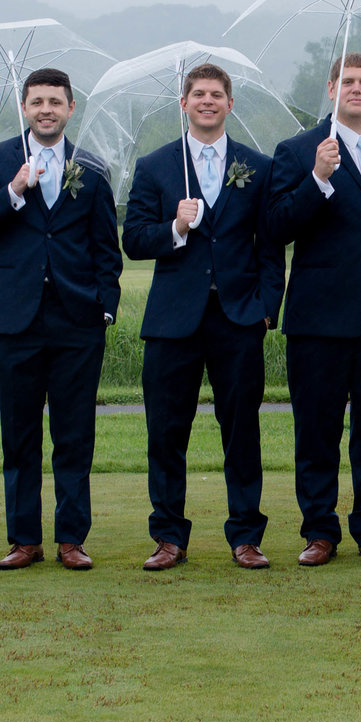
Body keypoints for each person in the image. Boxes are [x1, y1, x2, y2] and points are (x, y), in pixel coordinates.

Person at [0, 66, 122, 570]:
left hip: (78, 320)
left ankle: (71, 539)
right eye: (37, 102)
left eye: (56, 101)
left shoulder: (92, 168)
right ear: (24, 108)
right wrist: (12, 191)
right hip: (15, 320)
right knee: (20, 435)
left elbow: (105, 248)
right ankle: (24, 539)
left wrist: (106, 305)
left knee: (75, 436)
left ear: (71, 108)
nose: (46, 109)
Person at [120, 63, 282, 571]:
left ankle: (246, 536)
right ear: (184, 104)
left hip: (238, 319)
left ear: (229, 104)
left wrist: (266, 310)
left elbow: (271, 246)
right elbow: (133, 240)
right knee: (166, 432)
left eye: (216, 94)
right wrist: (175, 226)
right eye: (198, 94)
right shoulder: (155, 166)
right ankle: (169, 536)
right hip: (173, 321)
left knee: (242, 432)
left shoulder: (257, 166)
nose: (207, 101)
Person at [265, 52, 361, 566]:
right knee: (317, 428)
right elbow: (276, 228)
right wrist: (318, 179)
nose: (356, 89)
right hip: (319, 315)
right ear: (331, 89)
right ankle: (319, 530)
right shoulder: (298, 150)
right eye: (346, 81)